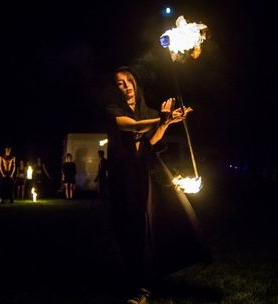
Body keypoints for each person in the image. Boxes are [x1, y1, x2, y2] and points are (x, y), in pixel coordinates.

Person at [105, 66, 209, 304]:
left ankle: (144, 284)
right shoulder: (112, 109)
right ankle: (139, 281)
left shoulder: (149, 111)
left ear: (136, 82)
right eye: (120, 83)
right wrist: (162, 118)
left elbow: (150, 140)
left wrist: (166, 123)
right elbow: (132, 126)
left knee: (150, 225)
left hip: (145, 175)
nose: (126, 85)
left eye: (129, 80)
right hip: (124, 178)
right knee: (129, 229)